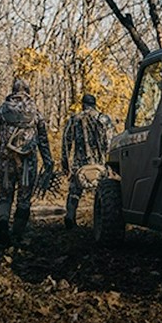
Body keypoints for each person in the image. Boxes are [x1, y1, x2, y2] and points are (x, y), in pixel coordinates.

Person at [0, 78, 54, 245]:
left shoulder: (2, 110)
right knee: (24, 198)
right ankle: (17, 235)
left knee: (4, 197)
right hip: (28, 163)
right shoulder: (35, 111)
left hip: (5, 161)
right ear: (27, 91)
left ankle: (3, 227)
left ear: (13, 90)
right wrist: (49, 162)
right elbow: (43, 140)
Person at [61, 93, 115, 229]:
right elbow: (110, 142)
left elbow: (66, 143)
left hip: (79, 163)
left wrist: (65, 164)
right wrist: (110, 163)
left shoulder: (74, 119)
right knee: (101, 191)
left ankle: (70, 215)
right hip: (99, 163)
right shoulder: (103, 119)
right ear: (94, 104)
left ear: (82, 104)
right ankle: (102, 222)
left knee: (74, 191)